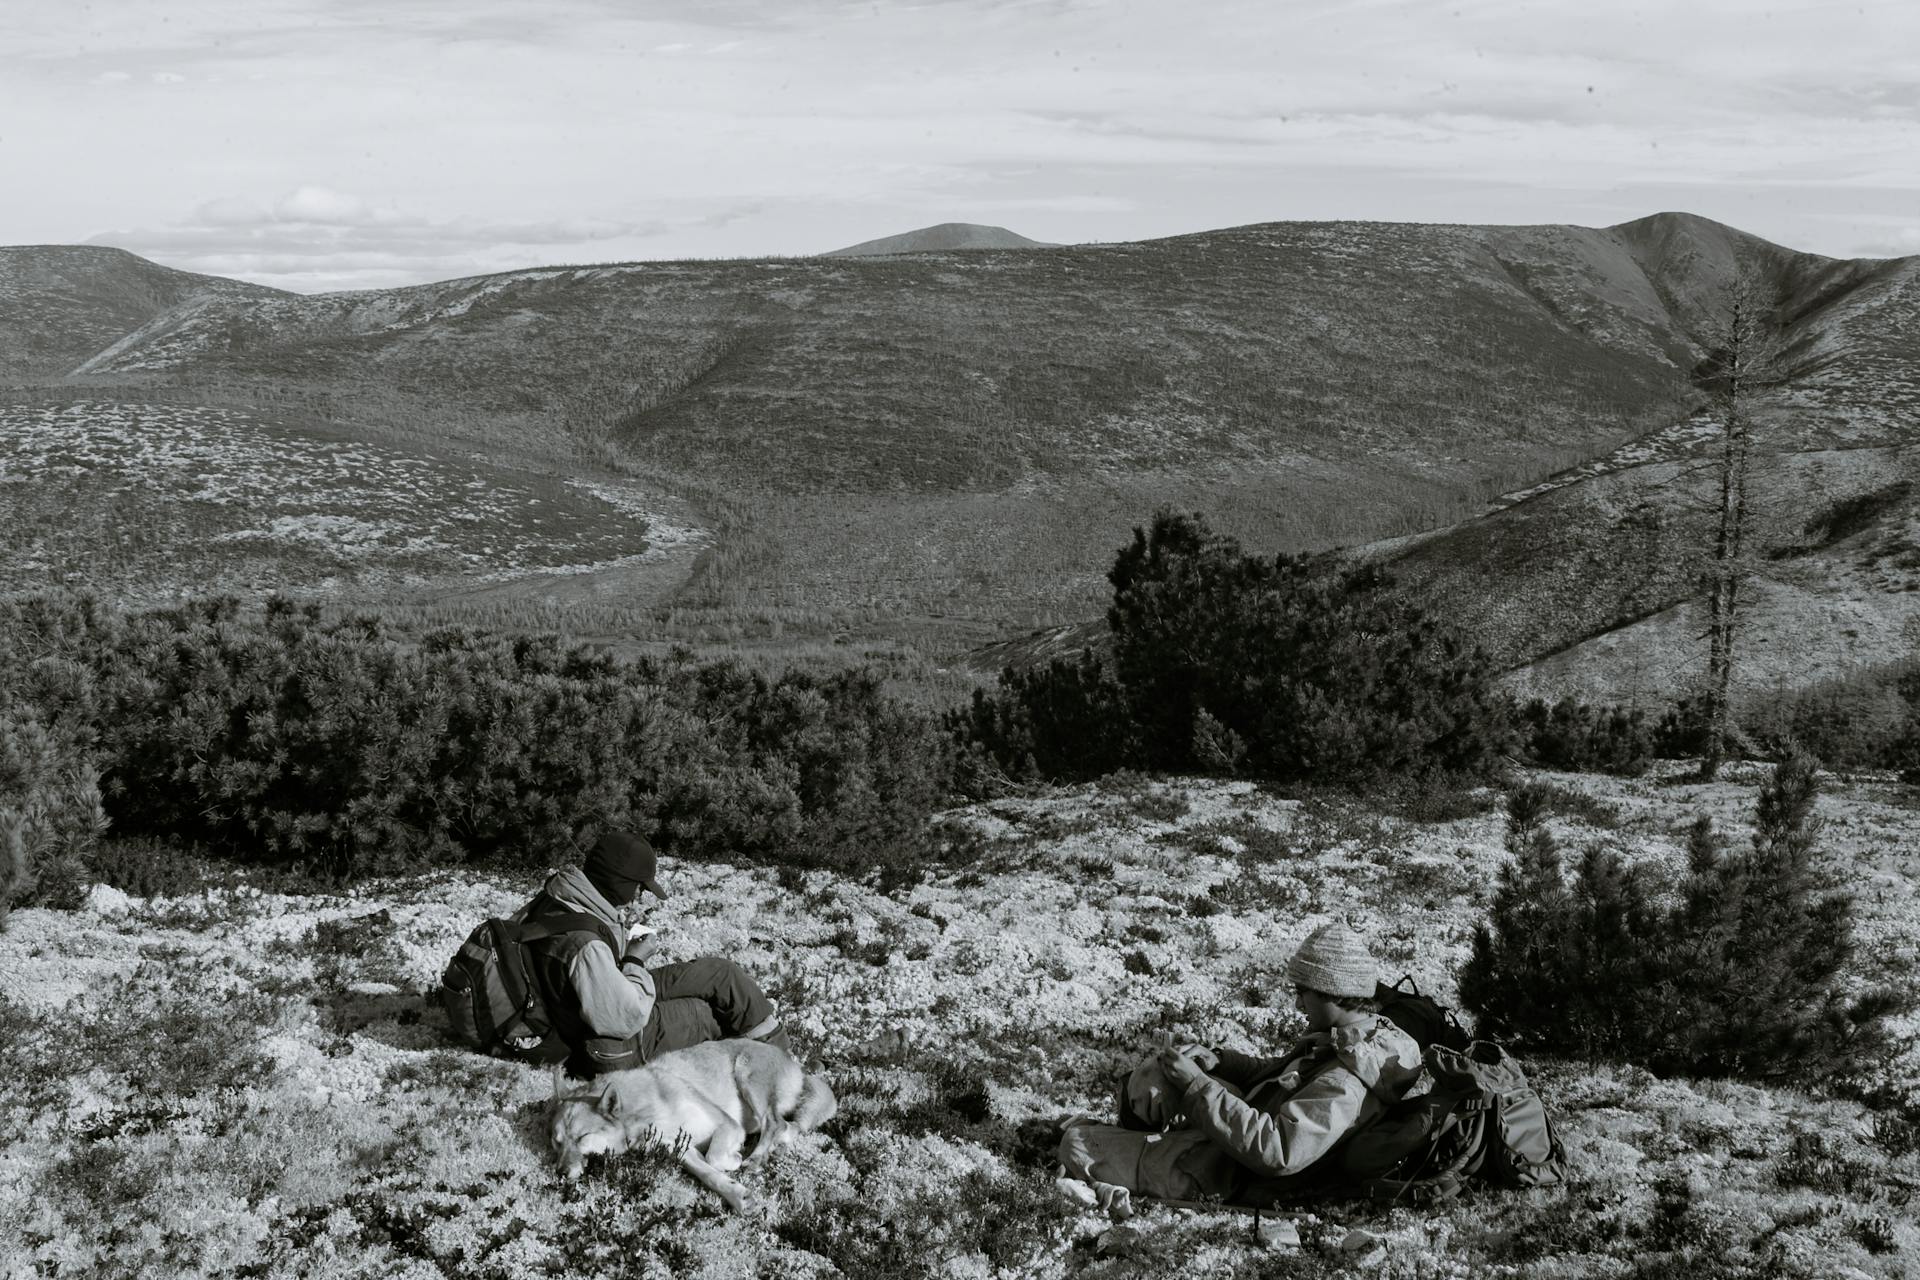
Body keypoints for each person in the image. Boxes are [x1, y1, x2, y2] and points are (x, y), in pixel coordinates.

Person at [1060, 920, 1422, 1206]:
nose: (1298, 1007)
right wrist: (1219, 1061)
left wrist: (1196, 1086)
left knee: (1077, 1143)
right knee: (1157, 1076)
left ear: (1333, 993)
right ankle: (1134, 1146)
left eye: (1303, 994)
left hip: (1224, 1172)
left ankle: (1134, 1152)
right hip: (1236, 1135)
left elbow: (1277, 1150)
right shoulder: (1354, 1036)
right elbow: (1281, 1078)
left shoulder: (1347, 1080)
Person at [519, 830, 792, 1077]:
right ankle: (778, 1073)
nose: (640, 893)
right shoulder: (587, 947)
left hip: (602, 994)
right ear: (619, 882)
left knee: (721, 974)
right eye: (639, 885)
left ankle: (782, 1056)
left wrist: (623, 955)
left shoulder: (557, 896)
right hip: (611, 1045)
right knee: (707, 1013)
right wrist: (635, 959)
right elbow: (625, 1018)